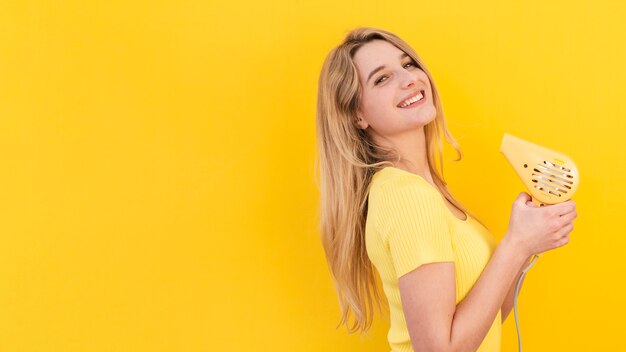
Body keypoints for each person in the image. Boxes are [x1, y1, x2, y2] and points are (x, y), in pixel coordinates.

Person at [315, 27, 577, 352]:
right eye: (381, 78)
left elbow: (489, 318)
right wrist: (516, 242)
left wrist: (526, 245)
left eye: (408, 64)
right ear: (357, 115)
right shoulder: (408, 197)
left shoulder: (424, 189)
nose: (409, 78)